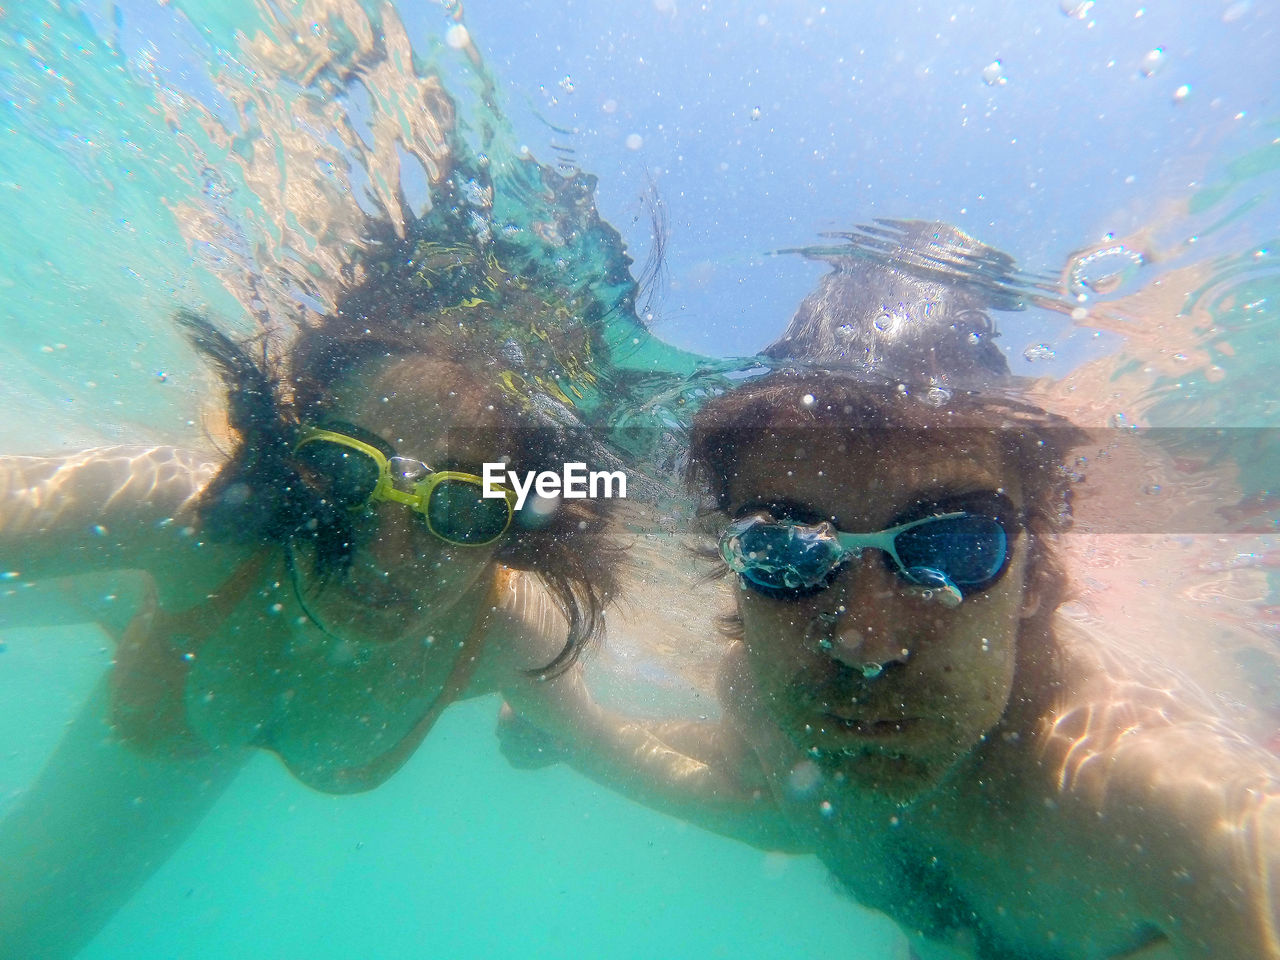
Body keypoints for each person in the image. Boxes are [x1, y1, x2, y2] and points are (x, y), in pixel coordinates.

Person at [533, 221, 1280, 959]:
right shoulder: (763, 705)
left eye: (951, 548)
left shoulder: (1169, 818)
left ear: (1029, 576)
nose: (863, 643)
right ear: (732, 564)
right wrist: (572, 729)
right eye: (782, 552)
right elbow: (759, 792)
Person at [0, 292, 641, 958]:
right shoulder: (186, 515)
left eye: (461, 506)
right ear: (289, 462)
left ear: (509, 529)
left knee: (36, 924)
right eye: (342, 473)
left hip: (202, 678)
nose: (389, 557)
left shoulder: (508, 633)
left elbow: (616, 747)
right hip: (131, 591)